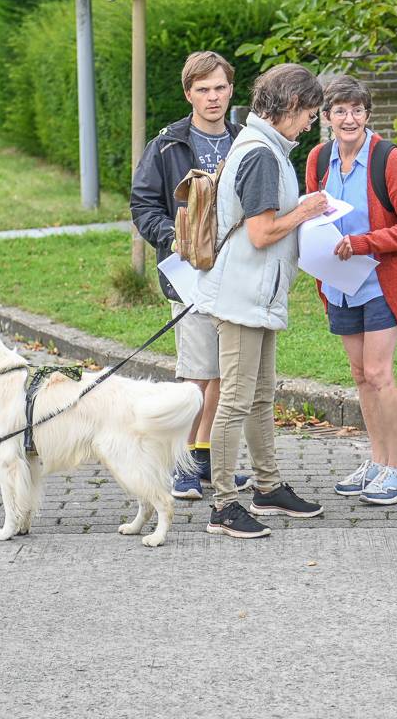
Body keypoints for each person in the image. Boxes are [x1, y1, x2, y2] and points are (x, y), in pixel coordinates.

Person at [192, 63, 331, 539]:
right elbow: (260, 231)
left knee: (260, 396)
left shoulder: (264, 147)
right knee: (234, 400)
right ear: (290, 105)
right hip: (242, 296)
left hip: (259, 294)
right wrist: (306, 210)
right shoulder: (261, 155)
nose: (310, 123)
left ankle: (267, 487)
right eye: (309, 113)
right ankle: (224, 506)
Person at [129, 51, 251, 500]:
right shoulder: (167, 145)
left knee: (222, 372)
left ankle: (204, 458)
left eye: (220, 87)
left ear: (231, 90)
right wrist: (172, 236)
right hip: (190, 274)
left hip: (238, 274)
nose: (213, 97)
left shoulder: (245, 140)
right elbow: (143, 204)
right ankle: (178, 464)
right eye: (203, 89)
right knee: (195, 374)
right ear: (189, 94)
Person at [303, 75, 397, 505]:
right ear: (326, 117)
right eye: (340, 110)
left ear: (367, 115)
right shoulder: (318, 159)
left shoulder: (386, 158)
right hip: (340, 285)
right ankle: (377, 462)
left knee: (379, 373)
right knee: (359, 375)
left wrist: (363, 242)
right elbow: (312, 214)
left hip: (381, 282)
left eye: (357, 110)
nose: (349, 118)